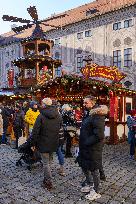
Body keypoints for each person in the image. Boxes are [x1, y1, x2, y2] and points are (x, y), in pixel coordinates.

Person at [27, 98, 62, 190]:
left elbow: (35, 132)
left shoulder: (41, 115)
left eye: (41, 103)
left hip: (43, 142)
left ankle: (48, 181)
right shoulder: (58, 115)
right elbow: (60, 129)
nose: (40, 105)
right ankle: (46, 179)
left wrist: (32, 143)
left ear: (44, 104)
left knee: (46, 163)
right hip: (53, 142)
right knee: (49, 162)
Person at [78, 95, 108, 201]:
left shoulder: (97, 115)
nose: (84, 104)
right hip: (85, 146)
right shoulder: (89, 114)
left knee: (94, 168)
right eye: (84, 102)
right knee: (84, 165)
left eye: (86, 102)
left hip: (92, 147)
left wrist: (86, 142)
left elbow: (99, 135)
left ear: (92, 102)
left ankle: (96, 190)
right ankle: (90, 185)